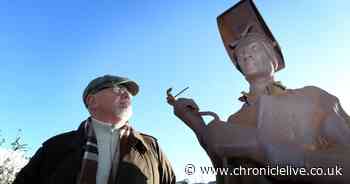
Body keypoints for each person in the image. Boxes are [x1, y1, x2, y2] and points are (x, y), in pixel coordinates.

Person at [167, 0, 350, 183]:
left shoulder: (313, 98)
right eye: (240, 54)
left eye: (254, 47)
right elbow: (229, 177)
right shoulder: (234, 121)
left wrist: (259, 146)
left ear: (273, 59)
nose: (245, 54)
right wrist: (199, 127)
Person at [14, 74, 176, 184]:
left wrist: (196, 122)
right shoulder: (55, 147)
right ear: (92, 101)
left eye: (128, 93)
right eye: (119, 90)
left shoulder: (151, 147)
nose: (127, 95)